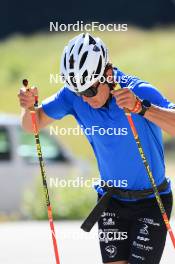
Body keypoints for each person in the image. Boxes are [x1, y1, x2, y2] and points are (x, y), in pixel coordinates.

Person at [18, 33, 175, 264]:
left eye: (90, 90)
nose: (84, 99)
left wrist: (141, 108)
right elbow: (32, 124)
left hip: (151, 201)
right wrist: (28, 108)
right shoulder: (73, 96)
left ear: (108, 74)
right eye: (78, 92)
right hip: (111, 201)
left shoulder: (139, 91)